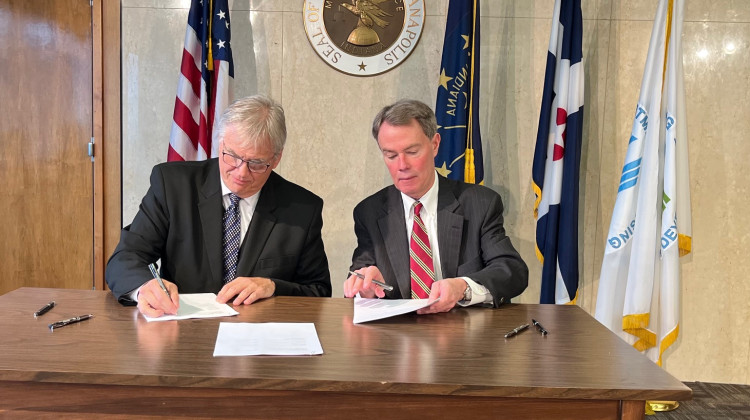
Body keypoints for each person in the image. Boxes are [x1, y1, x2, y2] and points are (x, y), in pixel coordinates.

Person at [106, 94, 331, 317]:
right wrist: (144, 288)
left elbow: (318, 291)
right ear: (220, 143)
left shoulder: (302, 208)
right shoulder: (173, 186)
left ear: (276, 158)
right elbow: (126, 257)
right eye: (232, 156)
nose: (241, 172)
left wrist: (273, 286)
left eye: (256, 163)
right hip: (184, 333)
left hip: (258, 338)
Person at [344, 99, 527, 314]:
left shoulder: (480, 204)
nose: (402, 165)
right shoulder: (370, 212)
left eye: (412, 152)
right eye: (391, 155)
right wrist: (366, 288)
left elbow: (512, 271)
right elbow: (360, 274)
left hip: (464, 334)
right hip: (397, 338)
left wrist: (463, 287)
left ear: (435, 145)